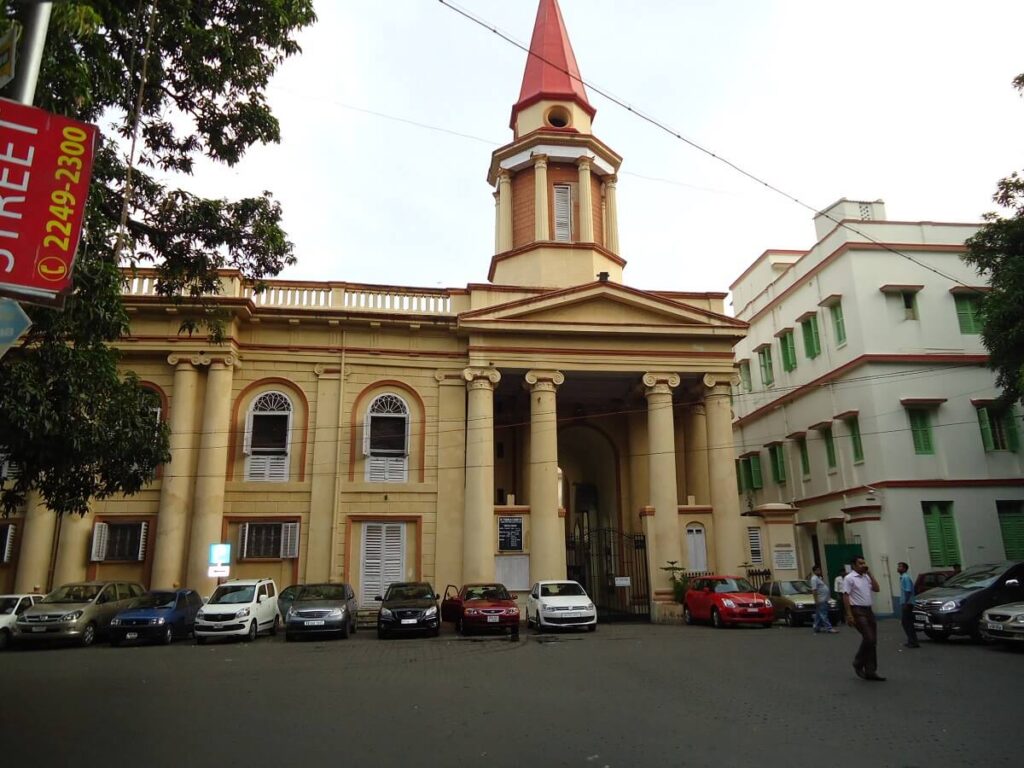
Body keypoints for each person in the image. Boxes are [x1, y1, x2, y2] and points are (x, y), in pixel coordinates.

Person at [843, 556, 885, 681]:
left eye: (864, 563)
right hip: (857, 610)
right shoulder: (849, 578)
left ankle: (871, 670)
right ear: (854, 566)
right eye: (860, 563)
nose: (863, 565)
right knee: (869, 638)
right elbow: (845, 596)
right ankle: (858, 662)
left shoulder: (866, 577)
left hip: (868, 610)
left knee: (873, 641)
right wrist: (849, 615)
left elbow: (877, 589)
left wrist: (870, 574)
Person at [808, 565, 837, 634]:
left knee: (819, 614)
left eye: (819, 570)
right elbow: (814, 590)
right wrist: (816, 600)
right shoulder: (814, 579)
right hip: (821, 599)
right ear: (814, 571)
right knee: (823, 614)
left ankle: (816, 627)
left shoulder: (819, 578)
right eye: (817, 570)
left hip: (824, 599)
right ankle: (829, 628)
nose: (819, 571)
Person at [897, 562, 919, 648]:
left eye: (900, 567)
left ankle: (913, 641)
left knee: (906, 622)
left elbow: (908, 591)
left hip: (908, 603)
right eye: (898, 566)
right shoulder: (903, 578)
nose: (898, 568)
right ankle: (912, 640)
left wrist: (906, 602)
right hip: (907, 602)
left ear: (905, 569)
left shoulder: (905, 578)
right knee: (907, 622)